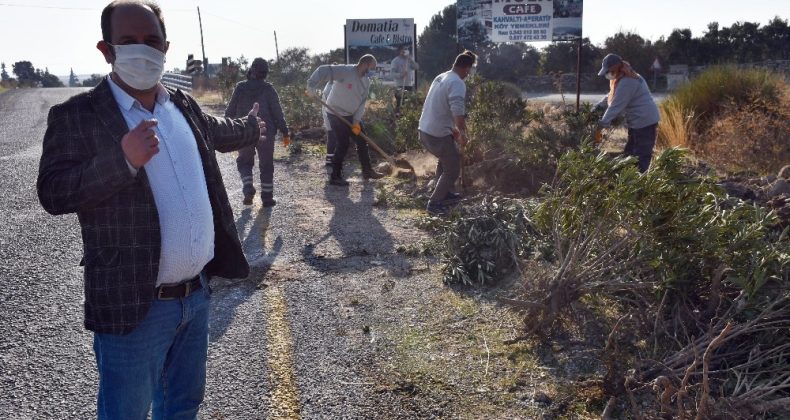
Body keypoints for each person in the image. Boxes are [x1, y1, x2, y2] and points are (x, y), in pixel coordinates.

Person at [36, 1, 266, 418]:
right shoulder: (78, 116)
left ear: (166, 48)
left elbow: (216, 131)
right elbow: (53, 192)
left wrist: (252, 127)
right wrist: (121, 160)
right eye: (129, 42)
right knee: (125, 412)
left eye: (152, 41)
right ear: (107, 50)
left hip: (195, 298)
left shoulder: (182, 106)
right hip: (132, 307)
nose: (143, 50)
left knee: (182, 406)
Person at [306, 54, 384, 185]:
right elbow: (321, 70)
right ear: (364, 64)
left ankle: (367, 170)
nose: (372, 71)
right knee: (343, 144)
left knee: (362, 140)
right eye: (372, 68)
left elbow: (362, 103)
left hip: (351, 115)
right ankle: (335, 176)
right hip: (335, 113)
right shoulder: (345, 71)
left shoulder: (366, 81)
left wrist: (356, 121)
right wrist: (311, 86)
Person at [418, 50, 476, 215]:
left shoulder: (441, 76)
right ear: (466, 69)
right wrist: (463, 135)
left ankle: (444, 191)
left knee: (446, 158)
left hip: (425, 130)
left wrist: (454, 132)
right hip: (436, 134)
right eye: (469, 71)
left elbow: (440, 108)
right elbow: (458, 114)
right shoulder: (457, 83)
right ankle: (435, 203)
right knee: (452, 169)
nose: (468, 75)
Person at [226, 57, 290, 207]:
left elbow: (230, 111)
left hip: (244, 131)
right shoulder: (269, 89)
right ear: (266, 73)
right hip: (266, 132)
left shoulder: (240, 87)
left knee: (244, 161)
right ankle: (267, 198)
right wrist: (285, 131)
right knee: (266, 165)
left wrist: (227, 128)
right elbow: (277, 113)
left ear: (252, 71)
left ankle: (248, 188)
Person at [594, 53, 660, 172]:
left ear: (616, 67)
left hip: (645, 121)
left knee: (641, 157)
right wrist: (597, 108)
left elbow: (615, 105)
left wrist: (602, 124)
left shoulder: (628, 81)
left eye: (609, 70)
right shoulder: (621, 78)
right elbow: (610, 96)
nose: (608, 73)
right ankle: (630, 182)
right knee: (629, 154)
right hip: (637, 122)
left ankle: (640, 185)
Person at [390, 44, 419, 116]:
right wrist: (401, 75)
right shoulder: (395, 61)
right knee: (400, 104)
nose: (404, 51)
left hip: (408, 85)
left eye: (405, 49)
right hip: (399, 86)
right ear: (399, 51)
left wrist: (410, 59)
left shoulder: (408, 60)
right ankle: (398, 119)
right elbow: (392, 73)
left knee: (408, 104)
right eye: (403, 49)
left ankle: (406, 119)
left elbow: (416, 67)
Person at [322, 80, 336, 166]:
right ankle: (330, 159)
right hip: (331, 115)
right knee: (332, 136)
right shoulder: (331, 85)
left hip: (330, 114)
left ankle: (331, 158)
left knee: (332, 137)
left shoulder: (331, 84)